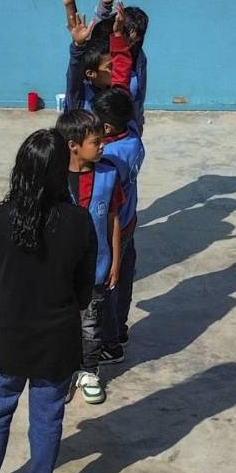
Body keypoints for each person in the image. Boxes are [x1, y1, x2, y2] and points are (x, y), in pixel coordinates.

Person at [0, 129, 97, 473]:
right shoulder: (79, 222)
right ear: (62, 172)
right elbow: (83, 290)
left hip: (7, 336)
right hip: (56, 342)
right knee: (47, 418)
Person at [57, 108, 123, 406]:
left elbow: (113, 218)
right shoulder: (54, 178)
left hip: (95, 268)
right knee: (61, 322)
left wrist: (116, 260)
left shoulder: (109, 175)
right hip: (58, 272)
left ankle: (89, 370)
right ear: (73, 145)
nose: (102, 146)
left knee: (90, 322)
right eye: (96, 142)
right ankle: (62, 369)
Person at [92, 86, 145, 362]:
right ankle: (120, 330)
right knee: (123, 279)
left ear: (108, 128)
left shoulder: (110, 159)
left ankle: (110, 344)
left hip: (113, 229)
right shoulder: (133, 136)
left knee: (109, 286)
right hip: (129, 222)